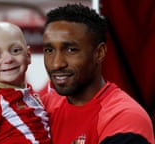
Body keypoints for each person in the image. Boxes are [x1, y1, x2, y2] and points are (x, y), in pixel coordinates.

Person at [40, 3, 154, 144]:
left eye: (71, 50)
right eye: (49, 50)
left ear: (99, 53)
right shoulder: (42, 105)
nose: (57, 63)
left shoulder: (125, 117)